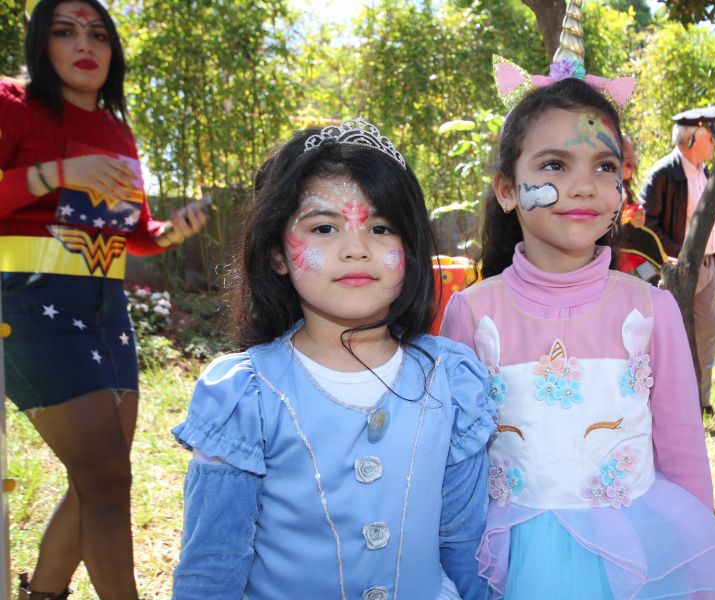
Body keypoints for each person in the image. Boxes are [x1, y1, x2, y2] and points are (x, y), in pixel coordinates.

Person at [440, 48, 715, 598]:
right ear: (507, 189)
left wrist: (694, 571)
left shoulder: (652, 310)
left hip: (635, 561)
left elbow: (684, 452)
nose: (585, 185)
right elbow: (456, 462)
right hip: (508, 560)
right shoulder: (472, 313)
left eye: (605, 167)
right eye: (554, 165)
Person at [171, 119, 496, 600]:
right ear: (277, 254)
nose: (356, 249)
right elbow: (212, 568)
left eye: (381, 228)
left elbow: (465, 544)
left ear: (409, 249)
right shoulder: (246, 396)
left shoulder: (451, 380)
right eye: (324, 228)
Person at [0, 1, 206, 598]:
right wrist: (58, 173)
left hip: (106, 308)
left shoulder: (117, 131)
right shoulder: (12, 103)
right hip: (31, 302)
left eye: (97, 34)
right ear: (42, 44)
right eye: (65, 32)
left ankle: (42, 594)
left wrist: (170, 233)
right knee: (107, 474)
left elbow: (134, 234)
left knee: (100, 476)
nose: (84, 45)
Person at [641, 106, 715, 416]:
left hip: (708, 269)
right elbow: (647, 226)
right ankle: (667, 405)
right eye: (711, 136)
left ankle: (701, 403)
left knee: (708, 336)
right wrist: (680, 257)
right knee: (670, 340)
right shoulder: (663, 173)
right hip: (679, 272)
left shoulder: (706, 174)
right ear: (693, 138)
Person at [616, 135, 666, 283]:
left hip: (632, 262)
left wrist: (638, 219)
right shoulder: (599, 188)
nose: (632, 164)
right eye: (627, 161)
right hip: (610, 265)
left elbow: (632, 224)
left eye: (633, 159)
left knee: (653, 278)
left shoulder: (626, 189)